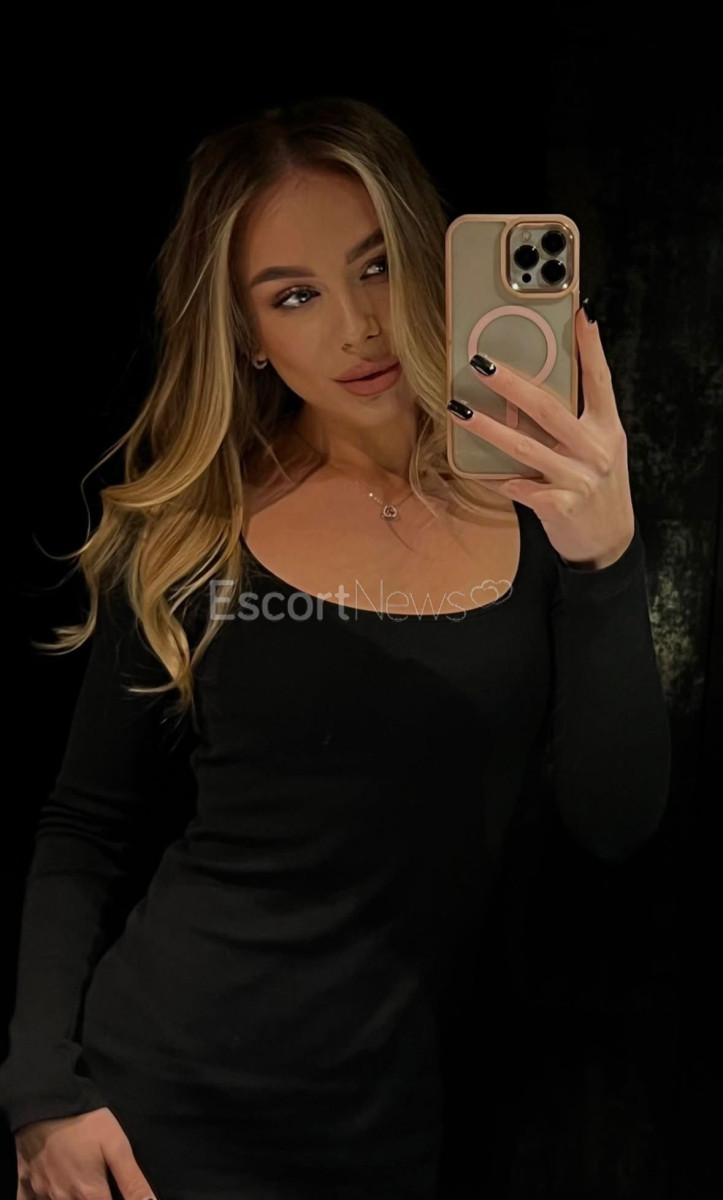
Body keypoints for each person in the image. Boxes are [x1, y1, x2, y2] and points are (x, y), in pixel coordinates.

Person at [0, 96, 671, 1200]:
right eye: (295, 295)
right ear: (246, 334)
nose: (357, 326)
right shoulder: (192, 529)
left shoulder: (546, 512)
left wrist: (606, 559)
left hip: (387, 1127)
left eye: (375, 267)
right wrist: (43, 1095)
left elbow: (617, 822)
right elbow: (86, 825)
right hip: (153, 1112)